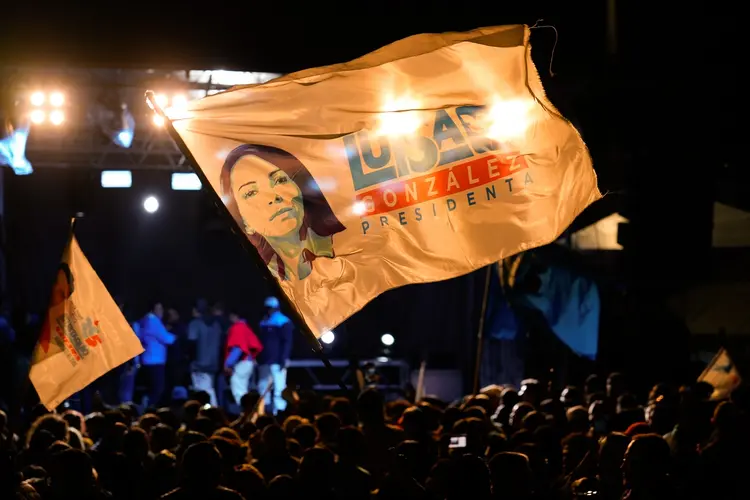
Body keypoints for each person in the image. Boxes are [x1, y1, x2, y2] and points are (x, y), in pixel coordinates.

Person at [220, 144, 346, 281]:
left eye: (280, 180)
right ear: (242, 220)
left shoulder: (350, 247)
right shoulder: (262, 281)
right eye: (251, 193)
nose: (272, 197)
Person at [256, 297, 293, 415]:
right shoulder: (264, 322)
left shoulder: (283, 321)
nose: (269, 310)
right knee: (263, 386)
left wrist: (285, 358)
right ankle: (264, 412)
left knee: (279, 387)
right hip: (265, 361)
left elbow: (287, 341)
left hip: (277, 361)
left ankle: (280, 412)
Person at [137, 301, 176, 408]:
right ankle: (148, 408)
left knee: (154, 388)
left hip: (149, 360)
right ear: (153, 310)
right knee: (158, 389)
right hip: (155, 361)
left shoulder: (145, 320)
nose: (161, 312)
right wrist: (176, 336)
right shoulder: (153, 320)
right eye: (158, 309)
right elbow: (167, 339)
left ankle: (147, 406)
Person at [224, 308, 263, 407]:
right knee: (244, 389)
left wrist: (228, 363)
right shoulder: (246, 327)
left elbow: (238, 348)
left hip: (242, 363)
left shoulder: (238, 327)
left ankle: (245, 414)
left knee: (239, 390)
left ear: (235, 316)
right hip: (247, 363)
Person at [187, 301, 222, 407]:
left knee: (203, 392)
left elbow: (191, 344)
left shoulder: (195, 324)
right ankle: (213, 412)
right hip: (213, 364)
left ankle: (210, 414)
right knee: (209, 389)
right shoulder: (217, 325)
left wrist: (190, 360)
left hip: (199, 365)